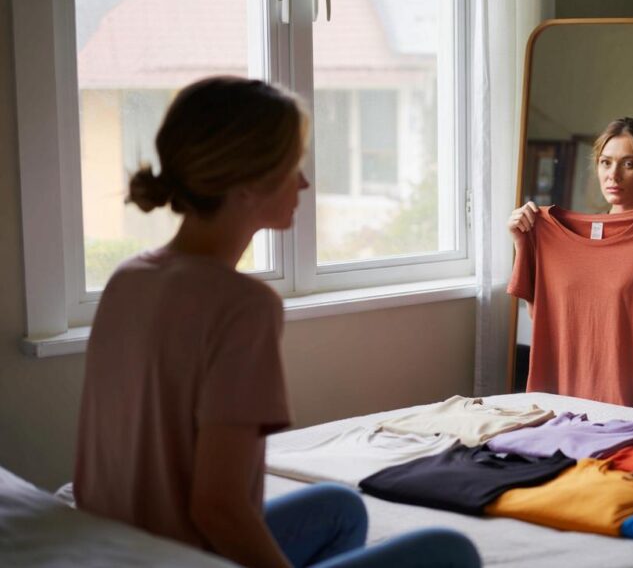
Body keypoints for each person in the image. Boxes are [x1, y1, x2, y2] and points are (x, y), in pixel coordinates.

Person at [74, 76, 481, 568]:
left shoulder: (129, 278)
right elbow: (219, 507)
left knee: (340, 509)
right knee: (449, 551)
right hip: (180, 557)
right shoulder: (241, 304)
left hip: (116, 548)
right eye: (293, 167)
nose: (305, 183)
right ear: (248, 183)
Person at [507, 117, 633, 416]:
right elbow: (542, 317)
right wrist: (522, 245)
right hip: (567, 399)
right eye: (605, 163)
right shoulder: (555, 236)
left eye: (628, 164)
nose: (613, 176)